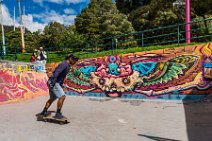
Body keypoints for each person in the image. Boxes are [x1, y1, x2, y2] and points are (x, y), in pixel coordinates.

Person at [38, 54, 79, 118]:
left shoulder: (67, 65)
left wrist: (60, 84)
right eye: (75, 60)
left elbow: (60, 76)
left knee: (52, 98)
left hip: (53, 82)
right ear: (70, 58)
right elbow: (56, 72)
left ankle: (44, 111)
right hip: (54, 82)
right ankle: (58, 113)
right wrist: (53, 82)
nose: (75, 62)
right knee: (62, 96)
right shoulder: (64, 64)